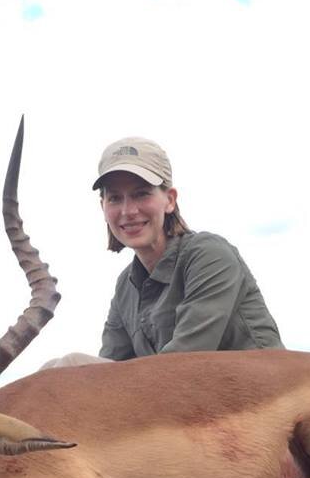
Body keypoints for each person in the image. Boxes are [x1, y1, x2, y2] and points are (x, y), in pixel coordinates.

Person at [94, 136, 283, 360]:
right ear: (103, 207)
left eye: (141, 193)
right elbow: (107, 370)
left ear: (170, 200)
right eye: (115, 198)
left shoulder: (209, 255)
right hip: (182, 393)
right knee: (66, 366)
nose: (128, 211)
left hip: (259, 392)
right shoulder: (126, 286)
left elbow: (184, 362)